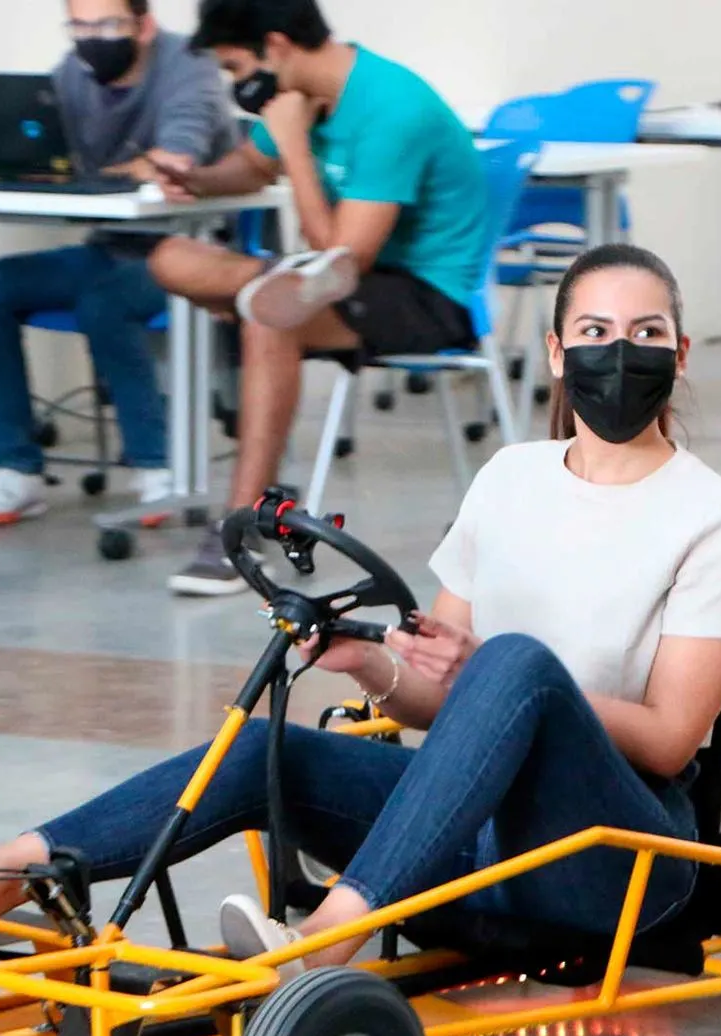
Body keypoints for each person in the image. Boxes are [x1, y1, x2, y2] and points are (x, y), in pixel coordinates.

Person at [0, 244, 721, 972]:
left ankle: (330, 936)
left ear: (679, 354)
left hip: (615, 862)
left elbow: (671, 740)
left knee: (514, 661)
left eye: (646, 332)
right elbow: (433, 696)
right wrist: (377, 665)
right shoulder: (510, 476)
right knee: (270, 749)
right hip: (476, 843)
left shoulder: (713, 513)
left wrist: (509, 677)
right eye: (596, 331)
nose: (621, 351)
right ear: (560, 355)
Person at [139, 0, 490, 596]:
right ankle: (260, 307)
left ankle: (241, 531)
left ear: (276, 46)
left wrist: (297, 149)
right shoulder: (304, 96)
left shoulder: (391, 108)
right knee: (169, 258)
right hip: (335, 277)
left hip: (426, 295)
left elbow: (343, 262)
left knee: (272, 317)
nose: (234, 83)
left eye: (234, 67)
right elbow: (250, 168)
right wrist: (193, 177)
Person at [0, 0, 237, 526]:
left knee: (104, 300)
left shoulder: (189, 65)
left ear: (144, 25)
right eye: (79, 26)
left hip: (192, 253)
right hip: (108, 249)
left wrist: (120, 170)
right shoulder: (73, 71)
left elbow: (177, 159)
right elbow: (45, 147)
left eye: (107, 25)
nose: (91, 39)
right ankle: (15, 468)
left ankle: (157, 468)